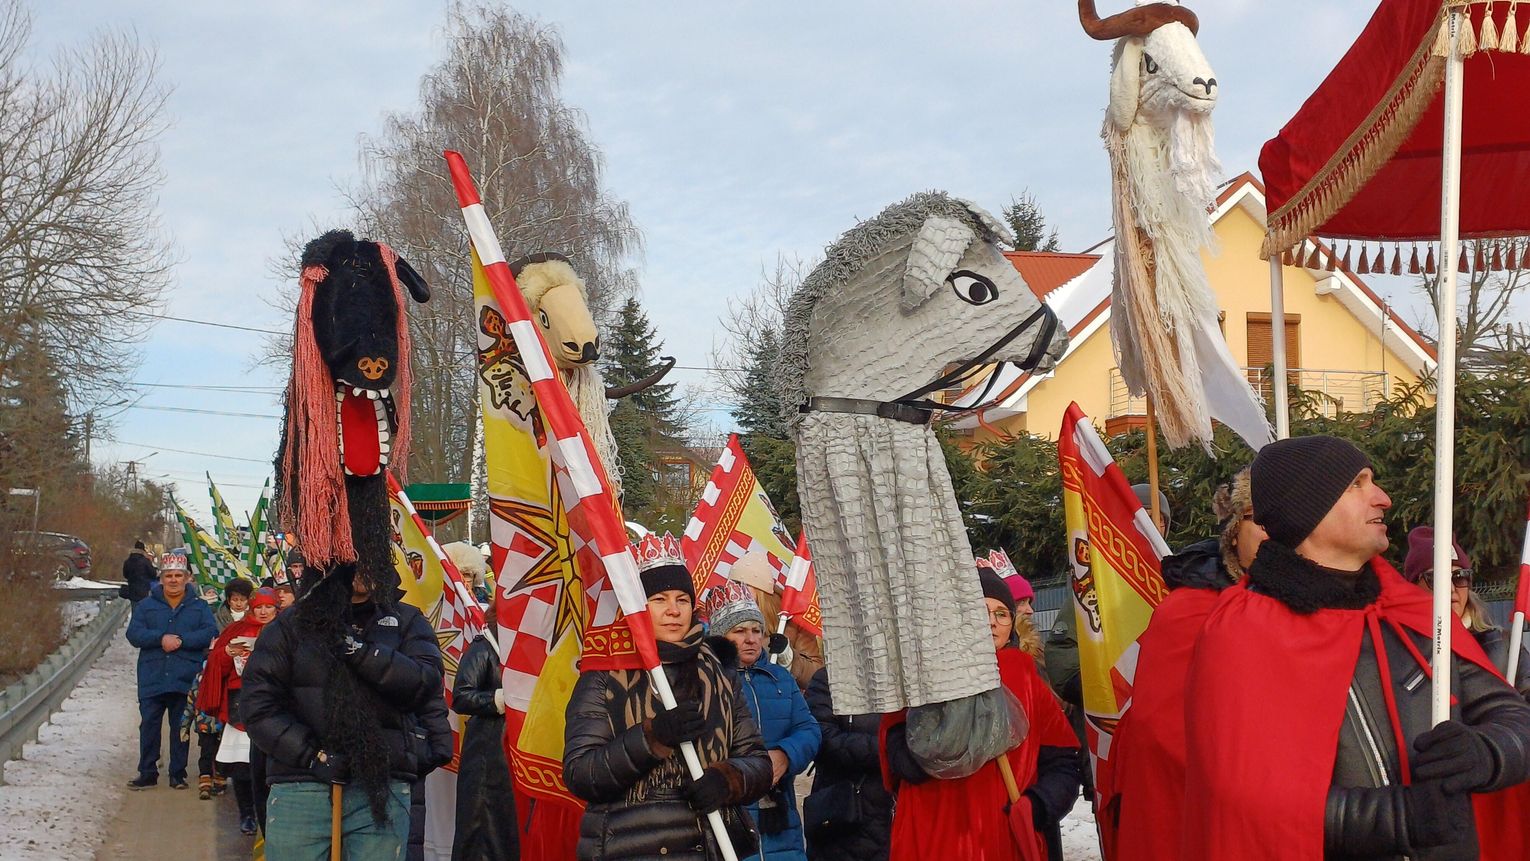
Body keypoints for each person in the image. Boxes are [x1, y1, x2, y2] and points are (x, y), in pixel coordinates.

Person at [1183, 435, 1530, 859]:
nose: (1383, 498)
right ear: (1309, 506)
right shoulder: (1241, 633)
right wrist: (1398, 818)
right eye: (1357, 484)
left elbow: (1514, 717)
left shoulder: (1414, 614)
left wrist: (1487, 753)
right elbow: (1245, 794)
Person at [563, 539, 773, 860]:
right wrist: (651, 738)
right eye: (659, 599)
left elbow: (757, 761)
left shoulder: (718, 671)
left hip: (709, 846)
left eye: (682, 599)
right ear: (637, 606)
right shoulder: (604, 673)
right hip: (630, 847)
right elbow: (581, 773)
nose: (674, 610)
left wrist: (727, 779)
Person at [241, 562, 453, 859]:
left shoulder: (407, 620)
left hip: (383, 787)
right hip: (301, 787)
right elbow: (257, 706)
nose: (363, 566)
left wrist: (360, 652)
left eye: (370, 555)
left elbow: (424, 685)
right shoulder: (289, 626)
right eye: (352, 557)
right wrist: (312, 756)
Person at [1106, 467, 1255, 861]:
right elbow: (1166, 735)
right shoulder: (1191, 608)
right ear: (1233, 531)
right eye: (1258, 518)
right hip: (1200, 820)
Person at [881, 567, 1081, 861]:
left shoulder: (1027, 677)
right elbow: (897, 752)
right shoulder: (920, 678)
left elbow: (1062, 763)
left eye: (1001, 613)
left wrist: (1037, 806)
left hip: (1001, 838)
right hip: (933, 837)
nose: (991, 621)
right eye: (980, 610)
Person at [705, 581, 821, 861]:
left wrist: (785, 754)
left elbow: (809, 729)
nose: (751, 639)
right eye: (740, 631)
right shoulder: (706, 681)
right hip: (729, 817)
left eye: (756, 630)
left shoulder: (780, 678)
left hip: (780, 821)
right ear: (721, 636)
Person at [124, 550, 219, 790]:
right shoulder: (146, 606)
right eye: (169, 576)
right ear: (161, 578)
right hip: (152, 676)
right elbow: (134, 633)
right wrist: (160, 639)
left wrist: (182, 640)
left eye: (178, 575)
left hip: (184, 677)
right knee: (149, 726)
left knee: (180, 727)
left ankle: (178, 773)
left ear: (187, 578)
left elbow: (210, 632)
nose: (174, 580)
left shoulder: (199, 607)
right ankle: (147, 772)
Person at [1404, 525, 1530, 697]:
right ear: (1413, 587)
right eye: (1436, 578)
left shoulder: (1505, 646)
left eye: (1460, 577)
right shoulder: (1399, 650)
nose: (1450, 589)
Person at [198, 587, 279, 834]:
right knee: (242, 766)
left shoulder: (286, 631)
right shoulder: (236, 630)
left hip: (276, 705)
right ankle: (247, 813)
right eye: (259, 607)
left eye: (268, 607)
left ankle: (270, 814)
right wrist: (226, 653)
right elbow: (216, 663)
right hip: (241, 704)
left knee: (271, 766)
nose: (263, 612)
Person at [450, 596, 518, 861]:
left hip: (515, 756)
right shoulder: (486, 645)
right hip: (487, 755)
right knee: (481, 833)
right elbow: (462, 695)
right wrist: (499, 699)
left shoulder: (530, 647)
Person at [804, 666, 894, 861]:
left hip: (897, 815)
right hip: (846, 816)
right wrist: (887, 750)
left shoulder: (903, 676)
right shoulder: (830, 678)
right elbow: (822, 737)